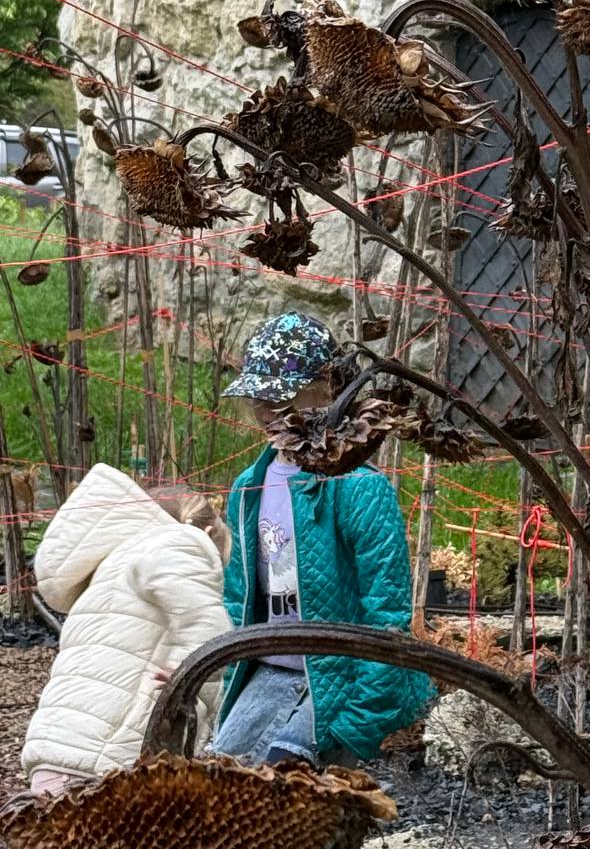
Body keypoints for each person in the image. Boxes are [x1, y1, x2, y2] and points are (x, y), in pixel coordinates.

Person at [214, 311, 433, 768]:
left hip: (341, 676)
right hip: (270, 669)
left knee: (290, 781)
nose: (267, 409)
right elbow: (238, 598)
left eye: (282, 396)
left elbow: (387, 613)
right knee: (218, 782)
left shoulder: (358, 487)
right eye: (258, 397)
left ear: (328, 390)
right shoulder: (248, 487)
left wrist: (359, 720)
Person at [21, 464, 232, 797]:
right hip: (113, 756)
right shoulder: (178, 542)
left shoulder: (112, 562)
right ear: (206, 531)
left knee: (58, 822)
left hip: (57, 746)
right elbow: (207, 628)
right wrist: (184, 680)